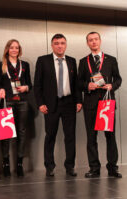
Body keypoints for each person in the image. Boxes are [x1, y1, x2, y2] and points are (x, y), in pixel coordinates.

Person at [34, 33, 82, 177]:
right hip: (51, 104)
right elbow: (37, 85)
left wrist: (79, 101)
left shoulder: (72, 61)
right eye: (56, 43)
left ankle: (70, 167)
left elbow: (76, 84)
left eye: (62, 43)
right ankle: (49, 166)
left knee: (70, 136)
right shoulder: (43, 61)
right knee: (50, 136)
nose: (59, 46)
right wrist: (40, 103)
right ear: (52, 45)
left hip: (69, 103)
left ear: (65, 45)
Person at [78, 32, 122, 178]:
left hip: (106, 102)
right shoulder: (84, 61)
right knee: (91, 137)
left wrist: (112, 86)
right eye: (90, 40)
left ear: (100, 41)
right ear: (87, 43)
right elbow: (78, 82)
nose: (94, 42)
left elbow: (118, 79)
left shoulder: (111, 60)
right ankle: (94, 168)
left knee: (110, 136)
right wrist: (87, 86)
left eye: (96, 39)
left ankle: (112, 168)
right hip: (90, 103)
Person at [0, 39, 32, 177]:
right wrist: (1, 89)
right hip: (8, 102)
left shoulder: (25, 65)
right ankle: (6, 163)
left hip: (22, 101)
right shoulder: (1, 65)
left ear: (19, 50)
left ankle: (19, 163)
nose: (14, 50)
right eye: (12, 47)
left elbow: (30, 83)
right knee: (6, 133)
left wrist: (26, 87)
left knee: (22, 132)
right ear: (7, 49)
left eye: (16, 48)